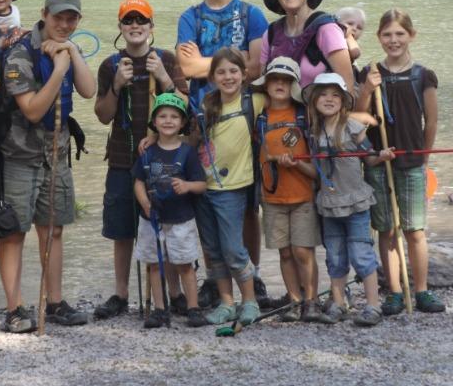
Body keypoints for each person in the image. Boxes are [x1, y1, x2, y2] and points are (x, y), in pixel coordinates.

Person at [176, 0, 269, 305]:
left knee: (247, 205)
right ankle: (217, 280)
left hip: (244, 120)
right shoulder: (191, 17)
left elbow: (258, 65)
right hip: (203, 120)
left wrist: (207, 62)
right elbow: (186, 68)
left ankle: (253, 274)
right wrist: (235, 60)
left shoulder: (250, 15)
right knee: (208, 202)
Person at [0, 0, 96, 331]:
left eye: (72, 19)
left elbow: (88, 90)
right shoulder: (20, 56)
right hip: (21, 156)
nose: (65, 24)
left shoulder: (69, 45)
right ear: (44, 14)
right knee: (13, 234)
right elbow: (34, 110)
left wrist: (70, 53)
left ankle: (55, 302)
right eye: (59, 18)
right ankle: (14, 308)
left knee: (53, 231)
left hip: (57, 156)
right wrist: (58, 70)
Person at [93, 0, 189, 320]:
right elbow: (103, 116)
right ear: (120, 27)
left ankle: (173, 292)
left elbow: (185, 107)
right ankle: (121, 294)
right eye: (129, 21)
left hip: (163, 157)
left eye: (141, 20)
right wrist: (117, 86)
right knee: (122, 230)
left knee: (167, 224)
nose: (135, 26)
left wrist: (163, 77)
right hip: (122, 159)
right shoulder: (110, 65)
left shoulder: (167, 59)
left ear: (152, 26)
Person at [356, 8, 445, 315]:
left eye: (399, 34)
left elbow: (431, 122)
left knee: (415, 231)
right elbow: (358, 116)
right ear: (379, 37)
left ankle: (421, 290)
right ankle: (394, 291)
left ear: (411, 36)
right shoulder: (371, 72)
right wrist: (367, 88)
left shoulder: (423, 75)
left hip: (411, 161)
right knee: (387, 229)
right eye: (387, 34)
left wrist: (424, 157)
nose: (393, 40)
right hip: (380, 161)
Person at [303, 72, 394, 327]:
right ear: (314, 102)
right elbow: (313, 169)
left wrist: (382, 156)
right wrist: (292, 164)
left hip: (355, 203)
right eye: (323, 95)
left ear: (344, 101)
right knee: (335, 255)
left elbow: (369, 157)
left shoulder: (353, 127)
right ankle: (339, 302)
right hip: (329, 205)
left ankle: (373, 305)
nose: (329, 100)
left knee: (361, 253)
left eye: (335, 95)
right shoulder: (313, 133)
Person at [192, 47, 266, 327]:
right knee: (213, 250)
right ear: (212, 77)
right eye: (221, 72)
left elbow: (283, 94)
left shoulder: (254, 102)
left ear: (244, 74)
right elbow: (195, 141)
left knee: (234, 249)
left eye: (234, 71)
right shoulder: (207, 105)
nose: (228, 77)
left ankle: (249, 301)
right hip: (204, 186)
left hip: (234, 187)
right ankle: (226, 302)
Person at [250, 57, 324, 323]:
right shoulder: (259, 116)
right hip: (272, 196)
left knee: (303, 250)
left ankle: (312, 302)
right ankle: (294, 301)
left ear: (293, 85)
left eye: (286, 80)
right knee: (284, 252)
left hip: (303, 193)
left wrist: (297, 165)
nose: (279, 84)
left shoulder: (304, 114)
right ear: (266, 84)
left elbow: (317, 166)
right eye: (274, 79)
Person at [133, 94, 208, 329]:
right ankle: (159, 309)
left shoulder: (187, 152)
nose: (168, 121)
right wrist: (144, 200)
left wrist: (186, 186)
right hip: (151, 218)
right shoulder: (147, 151)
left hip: (180, 219)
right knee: (154, 263)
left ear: (183, 122)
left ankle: (193, 308)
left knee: (185, 263)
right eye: (162, 116)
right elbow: (137, 180)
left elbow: (202, 184)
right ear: (154, 122)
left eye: (174, 116)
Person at [260, 0, 355, 90]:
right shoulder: (270, 34)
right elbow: (263, 82)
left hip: (319, 109)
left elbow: (347, 85)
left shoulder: (327, 30)